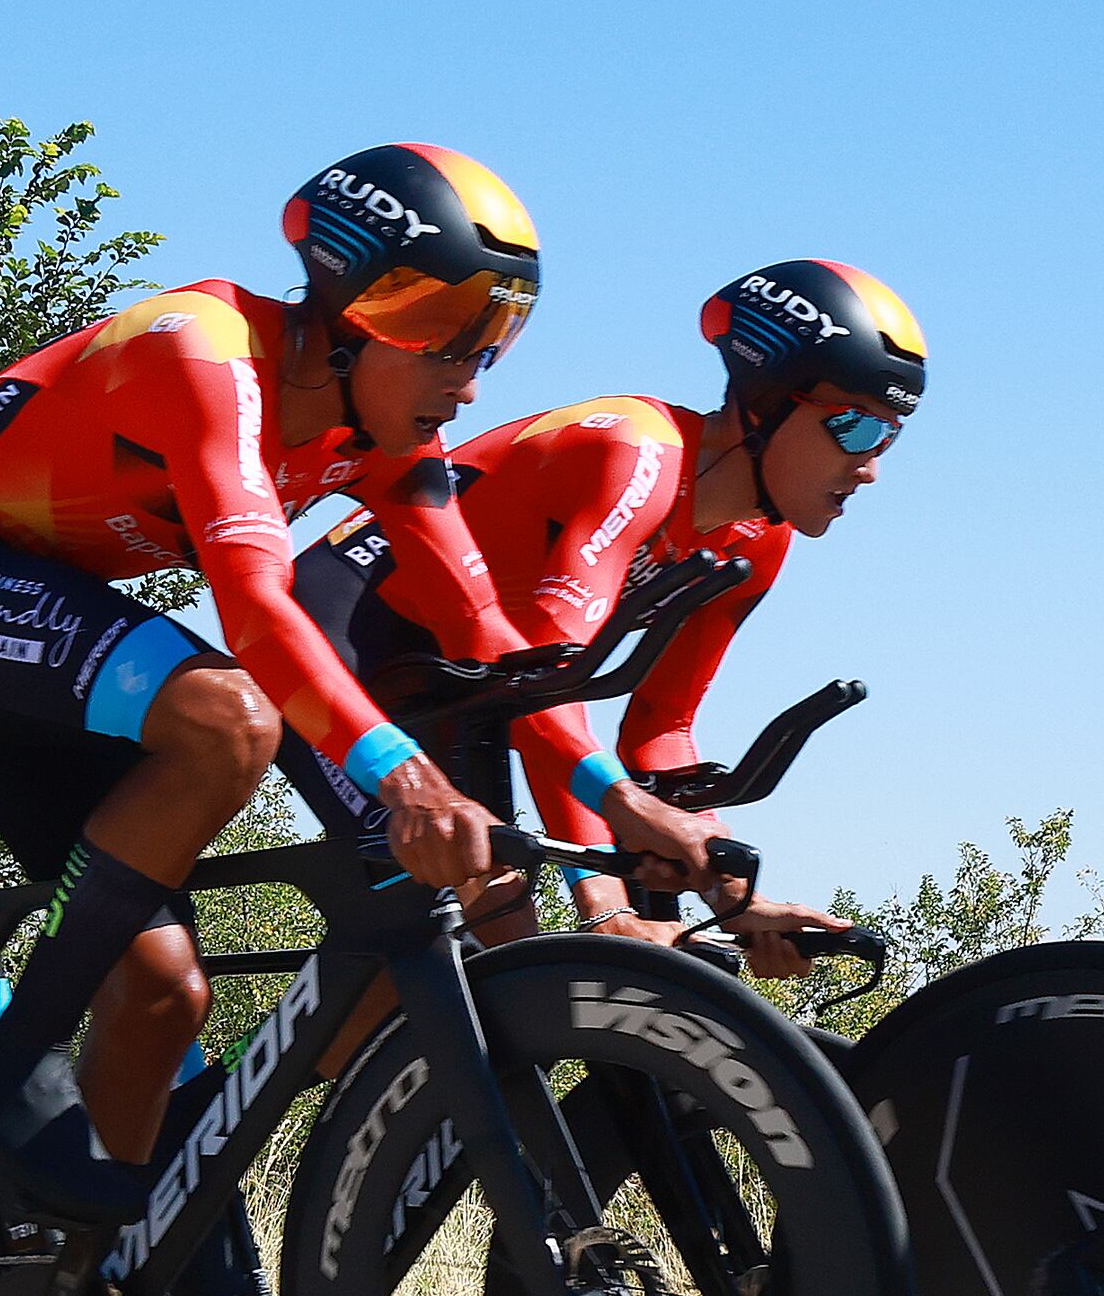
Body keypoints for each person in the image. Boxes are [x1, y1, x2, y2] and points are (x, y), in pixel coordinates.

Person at [0, 147, 551, 1296]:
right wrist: (398, 778)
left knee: (164, 998)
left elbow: (495, 647)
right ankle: (8, 1065)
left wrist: (615, 813)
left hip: (54, 623)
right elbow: (256, 611)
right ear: (346, 305)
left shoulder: (392, 432)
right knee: (229, 715)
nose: (467, 379)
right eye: (439, 329)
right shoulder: (203, 353)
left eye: (493, 342)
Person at [287, 259, 927, 970]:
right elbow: (547, 688)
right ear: (767, 403)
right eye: (854, 428)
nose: (870, 466)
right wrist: (604, 903)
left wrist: (732, 892)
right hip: (348, 630)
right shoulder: (632, 454)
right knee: (480, 908)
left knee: (498, 956)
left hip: (479, 676)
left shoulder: (760, 538)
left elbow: (661, 731)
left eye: (889, 437)